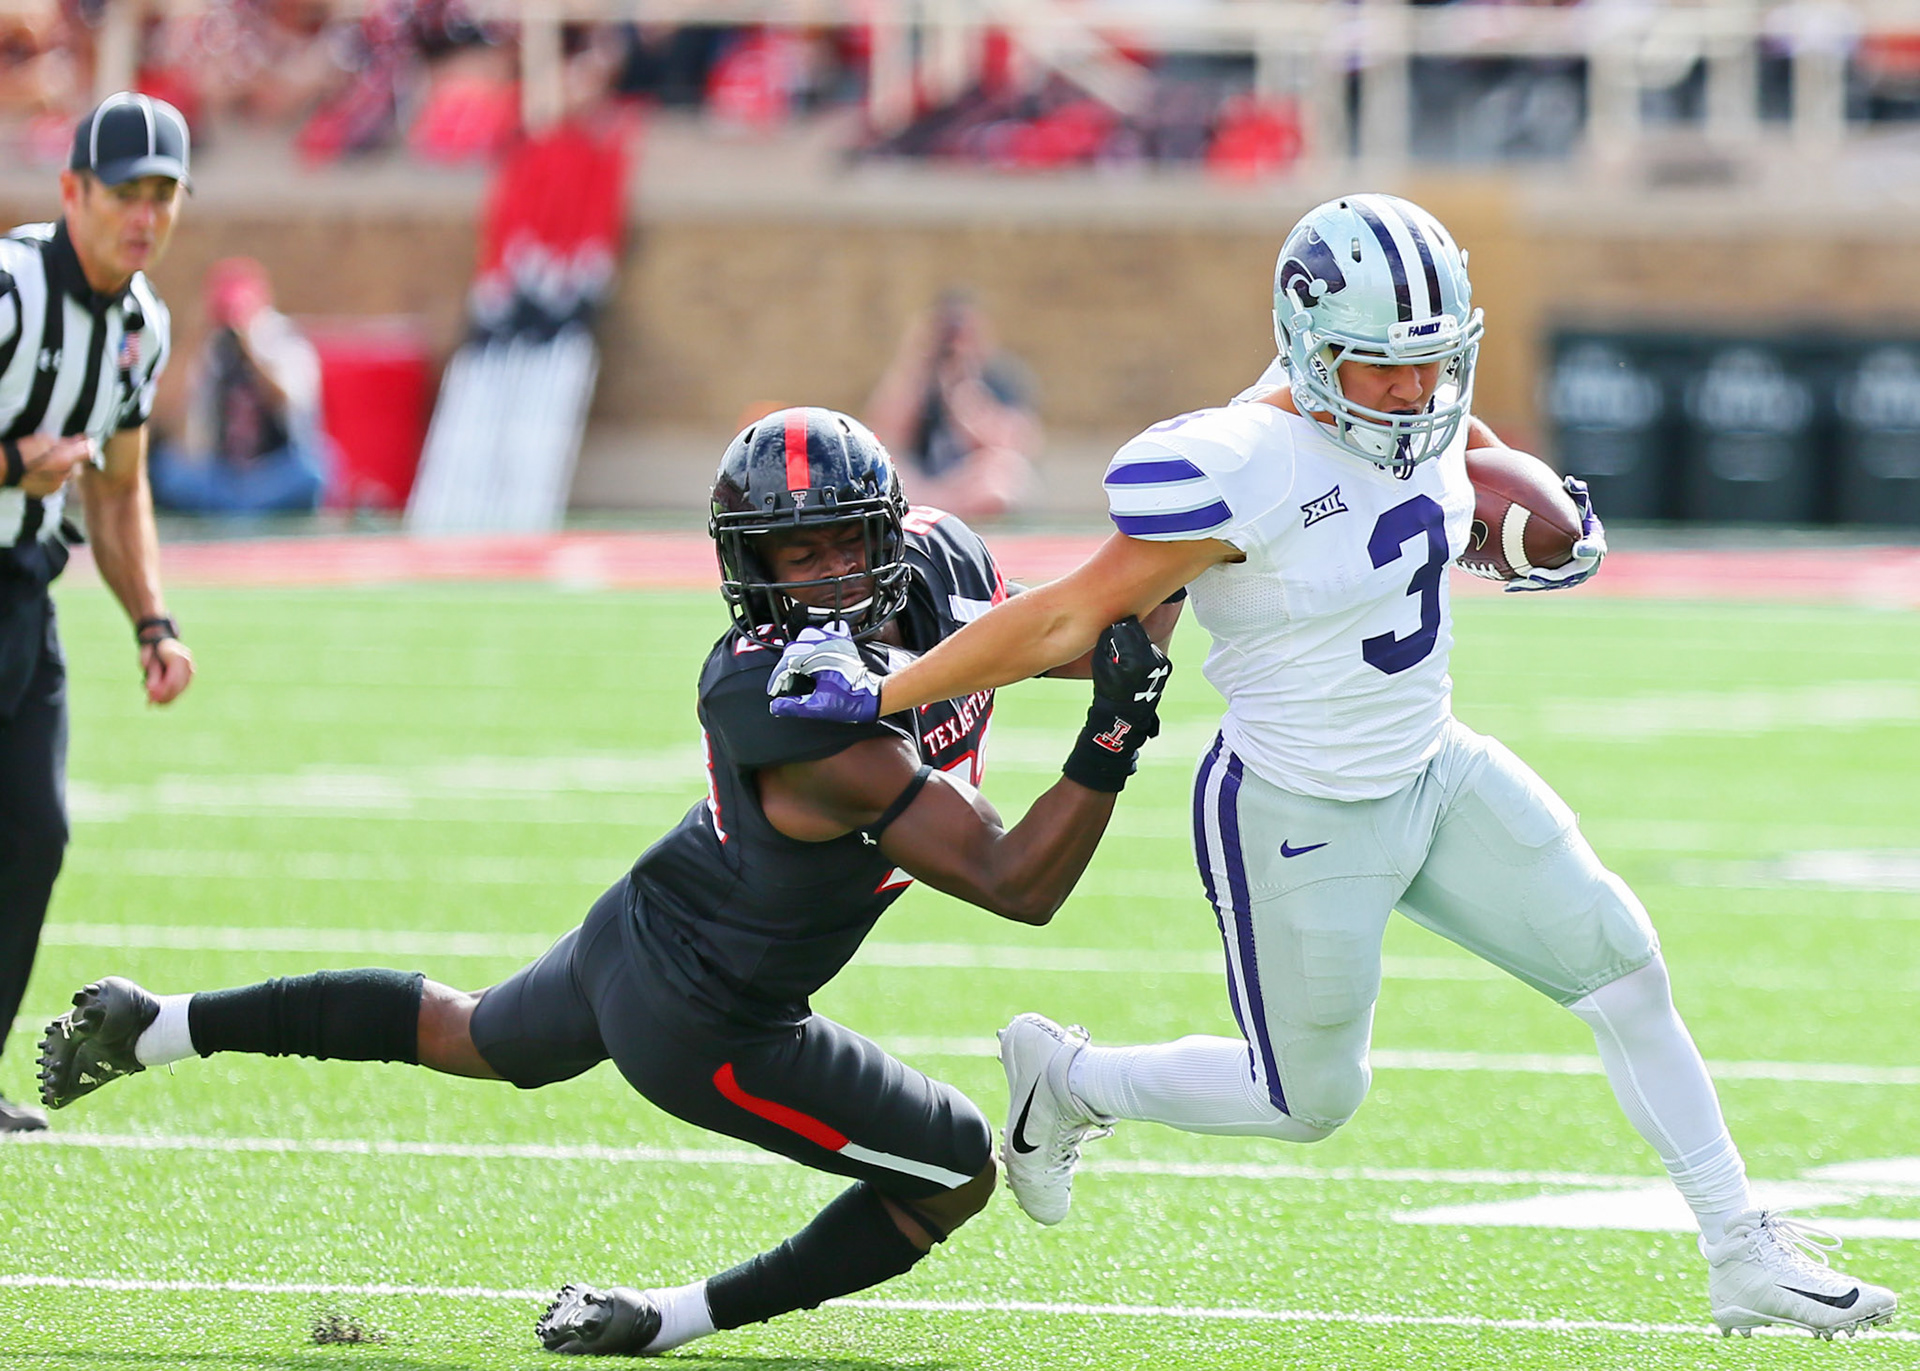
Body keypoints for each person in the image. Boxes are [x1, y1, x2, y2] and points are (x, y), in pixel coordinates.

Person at [765, 195, 1900, 1339]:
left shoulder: (1421, 402)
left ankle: (1741, 1251)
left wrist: (1547, 512)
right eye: (1382, 369)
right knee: (1307, 1102)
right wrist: (885, 690)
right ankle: (1069, 1081)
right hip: (1295, 805)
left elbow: (1468, 454)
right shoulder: (1238, 463)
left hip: (1434, 766)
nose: (1415, 394)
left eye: (1434, 363)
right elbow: (1068, 616)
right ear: (1310, 349)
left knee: (1624, 967)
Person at [37, 407, 1174, 1356]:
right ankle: (668, 1322)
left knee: (466, 1032)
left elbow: (1078, 625)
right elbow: (1015, 881)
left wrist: (1200, 552)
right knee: (955, 1173)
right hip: (712, 1017)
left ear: (887, 532)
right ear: (750, 570)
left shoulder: (939, 563)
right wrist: (1114, 733)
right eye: (796, 556)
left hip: (655, 910)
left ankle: (156, 1027)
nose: (829, 578)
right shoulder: (781, 702)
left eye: (843, 545)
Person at [0, 92, 196, 1134]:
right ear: (73, 190)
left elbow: (119, 487)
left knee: (34, 829)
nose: (146, 213)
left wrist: (152, 621)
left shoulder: (140, 325)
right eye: (127, 191)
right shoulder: (11, 290)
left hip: (24, 588)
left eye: (164, 194)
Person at [148, 256, 331, 516]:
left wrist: (250, 344)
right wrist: (194, 338)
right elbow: (161, 411)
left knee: (315, 471)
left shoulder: (284, 340)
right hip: (218, 475)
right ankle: (238, 512)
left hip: (273, 474)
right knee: (168, 470)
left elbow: (289, 402)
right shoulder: (205, 345)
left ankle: (237, 513)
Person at [864, 290, 1039, 521]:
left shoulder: (1000, 379)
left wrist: (963, 391)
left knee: (1002, 473)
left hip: (973, 481)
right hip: (926, 482)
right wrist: (916, 362)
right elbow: (884, 431)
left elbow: (1014, 444)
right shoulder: (919, 380)